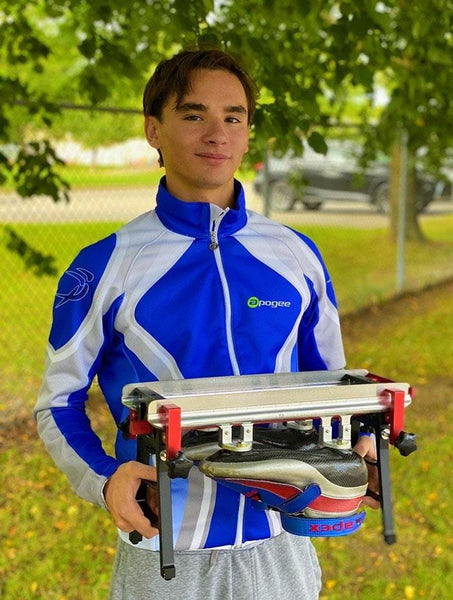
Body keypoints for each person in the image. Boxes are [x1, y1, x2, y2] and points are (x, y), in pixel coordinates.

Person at [34, 48, 378, 600]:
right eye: (194, 115)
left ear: (247, 132)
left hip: (282, 547)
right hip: (167, 555)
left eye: (233, 117)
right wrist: (104, 480)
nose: (217, 133)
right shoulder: (106, 263)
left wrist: (360, 434)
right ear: (154, 129)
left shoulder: (296, 255)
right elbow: (57, 403)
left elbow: (334, 388)